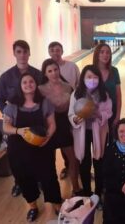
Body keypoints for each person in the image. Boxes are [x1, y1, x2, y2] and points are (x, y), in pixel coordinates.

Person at [2, 73, 61, 222]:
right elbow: (6, 126)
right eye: (25, 82)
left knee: (49, 177)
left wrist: (47, 136)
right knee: (24, 178)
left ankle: (56, 203)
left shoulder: (45, 102)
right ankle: (33, 206)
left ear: (36, 84)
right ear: (20, 86)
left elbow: (52, 123)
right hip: (18, 149)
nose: (28, 84)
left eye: (31, 82)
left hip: (42, 146)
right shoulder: (13, 105)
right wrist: (18, 131)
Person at [0, 40, 42, 197]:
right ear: (14, 53)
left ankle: (37, 180)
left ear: (30, 53)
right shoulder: (6, 77)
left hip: (35, 121)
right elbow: (0, 100)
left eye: (25, 51)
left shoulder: (38, 74)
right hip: (16, 124)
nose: (22, 55)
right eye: (19, 51)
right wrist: (8, 115)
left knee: (36, 154)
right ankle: (19, 183)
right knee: (17, 159)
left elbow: (43, 97)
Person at [68, 65, 112, 207]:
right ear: (83, 78)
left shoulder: (104, 94)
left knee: (99, 162)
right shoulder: (76, 94)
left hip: (98, 131)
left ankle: (98, 194)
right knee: (84, 163)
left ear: (99, 79)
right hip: (82, 132)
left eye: (95, 77)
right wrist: (75, 119)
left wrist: (99, 114)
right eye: (89, 77)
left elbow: (109, 112)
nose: (92, 80)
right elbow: (71, 114)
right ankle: (87, 193)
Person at [39, 59, 81, 195]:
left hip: (64, 126)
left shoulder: (68, 87)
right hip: (48, 127)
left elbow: (75, 107)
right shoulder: (40, 90)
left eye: (55, 69)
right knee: (48, 163)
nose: (54, 73)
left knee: (73, 159)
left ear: (59, 70)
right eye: (50, 71)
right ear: (45, 73)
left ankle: (76, 188)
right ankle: (53, 193)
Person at [48, 41, 80, 179]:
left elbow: (79, 85)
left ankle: (79, 169)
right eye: (52, 50)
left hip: (71, 110)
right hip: (56, 115)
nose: (55, 52)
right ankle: (68, 168)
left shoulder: (72, 66)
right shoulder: (48, 69)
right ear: (49, 52)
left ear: (62, 51)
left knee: (74, 143)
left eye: (58, 49)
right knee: (63, 146)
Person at [92, 43, 122, 141]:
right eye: (102, 52)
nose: (105, 55)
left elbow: (118, 96)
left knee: (111, 142)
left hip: (111, 112)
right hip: (94, 113)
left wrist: (117, 116)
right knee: (98, 142)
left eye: (108, 52)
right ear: (97, 54)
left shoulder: (114, 71)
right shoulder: (90, 71)